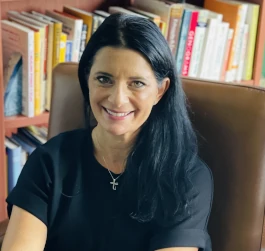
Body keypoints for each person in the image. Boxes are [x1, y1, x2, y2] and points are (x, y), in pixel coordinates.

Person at [2, 13, 213, 251]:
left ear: (160, 91)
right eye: (104, 79)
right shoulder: (49, 162)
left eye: (137, 83)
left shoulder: (186, 178)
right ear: (87, 80)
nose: (117, 99)